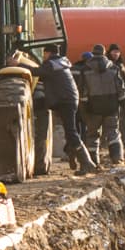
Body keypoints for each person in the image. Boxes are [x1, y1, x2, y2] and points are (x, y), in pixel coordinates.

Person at [29, 46, 96, 174]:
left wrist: (18, 64)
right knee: (70, 132)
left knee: (71, 132)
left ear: (48, 53)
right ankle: (74, 156)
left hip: (65, 101)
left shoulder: (51, 64)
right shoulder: (60, 63)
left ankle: (87, 162)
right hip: (69, 99)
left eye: (44, 54)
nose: (43, 56)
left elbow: (36, 71)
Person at [80, 43, 125, 167]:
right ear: (104, 53)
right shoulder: (114, 68)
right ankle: (117, 158)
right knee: (113, 133)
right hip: (111, 107)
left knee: (92, 135)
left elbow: (83, 92)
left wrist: (83, 109)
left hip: (93, 108)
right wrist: (124, 105)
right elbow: (121, 89)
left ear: (93, 53)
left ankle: (93, 162)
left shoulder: (85, 69)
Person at [107, 44, 125, 142]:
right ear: (110, 52)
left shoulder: (121, 65)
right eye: (114, 51)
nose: (116, 54)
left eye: (117, 52)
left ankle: (118, 140)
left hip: (119, 95)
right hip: (108, 95)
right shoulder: (106, 64)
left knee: (119, 119)